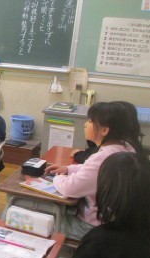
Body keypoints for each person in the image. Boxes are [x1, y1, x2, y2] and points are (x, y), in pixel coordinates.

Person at [46, 101, 138, 240]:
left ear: (104, 130)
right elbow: (92, 169)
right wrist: (68, 169)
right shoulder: (125, 148)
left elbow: (70, 188)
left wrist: (58, 177)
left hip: (91, 227)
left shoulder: (102, 157)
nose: (85, 124)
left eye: (90, 121)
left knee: (31, 215)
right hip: (115, 224)